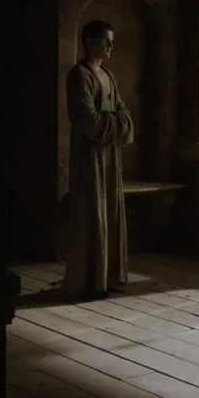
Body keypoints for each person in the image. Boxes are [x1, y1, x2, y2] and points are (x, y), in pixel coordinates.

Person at [64, 19, 134, 298]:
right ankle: (87, 280)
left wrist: (116, 123)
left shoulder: (109, 76)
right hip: (90, 156)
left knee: (110, 212)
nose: (111, 46)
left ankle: (107, 277)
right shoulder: (79, 76)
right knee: (91, 213)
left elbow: (124, 113)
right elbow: (86, 119)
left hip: (110, 155)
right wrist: (116, 124)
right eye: (107, 40)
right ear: (90, 41)